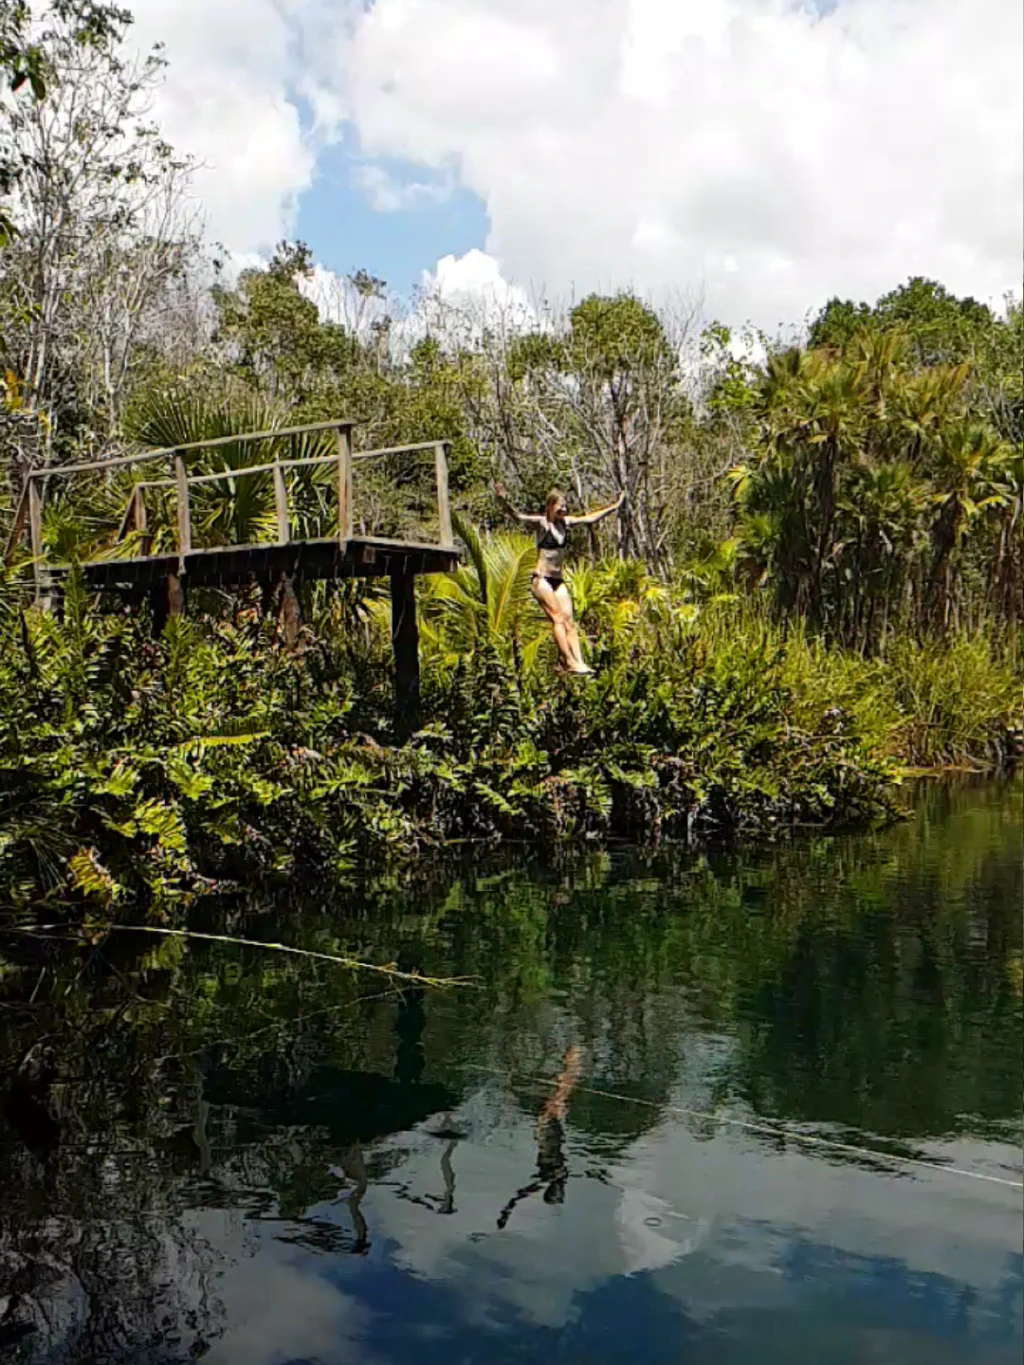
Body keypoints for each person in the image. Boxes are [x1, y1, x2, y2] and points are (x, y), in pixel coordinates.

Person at [493, 483, 624, 675]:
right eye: (560, 506)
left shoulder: (567, 523)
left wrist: (614, 506)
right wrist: (502, 500)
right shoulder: (541, 523)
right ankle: (568, 661)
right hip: (541, 579)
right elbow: (517, 516)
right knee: (558, 618)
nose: (564, 509)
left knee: (570, 622)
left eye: (565, 506)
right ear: (550, 507)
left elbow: (590, 519)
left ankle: (579, 662)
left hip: (557, 580)